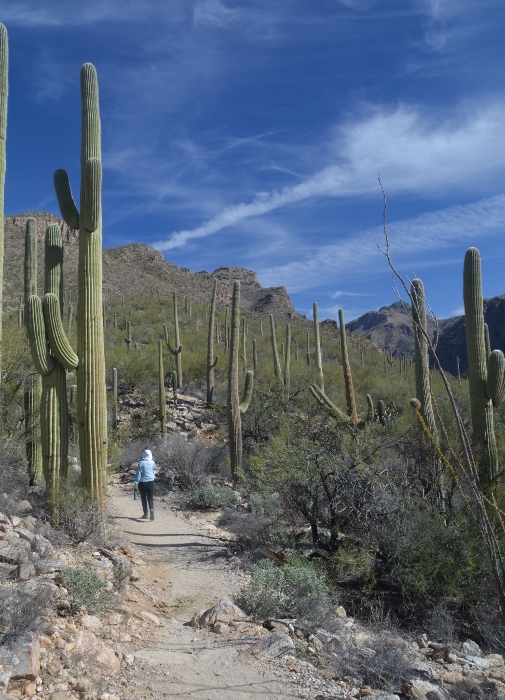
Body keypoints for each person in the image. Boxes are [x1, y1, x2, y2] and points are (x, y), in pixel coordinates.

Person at [134, 449, 157, 520]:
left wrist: (136, 484)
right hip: (151, 482)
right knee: (150, 497)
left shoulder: (141, 463)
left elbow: (138, 474)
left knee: (143, 498)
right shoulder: (152, 462)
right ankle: (151, 509)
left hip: (142, 483)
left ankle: (146, 514)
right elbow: (155, 468)